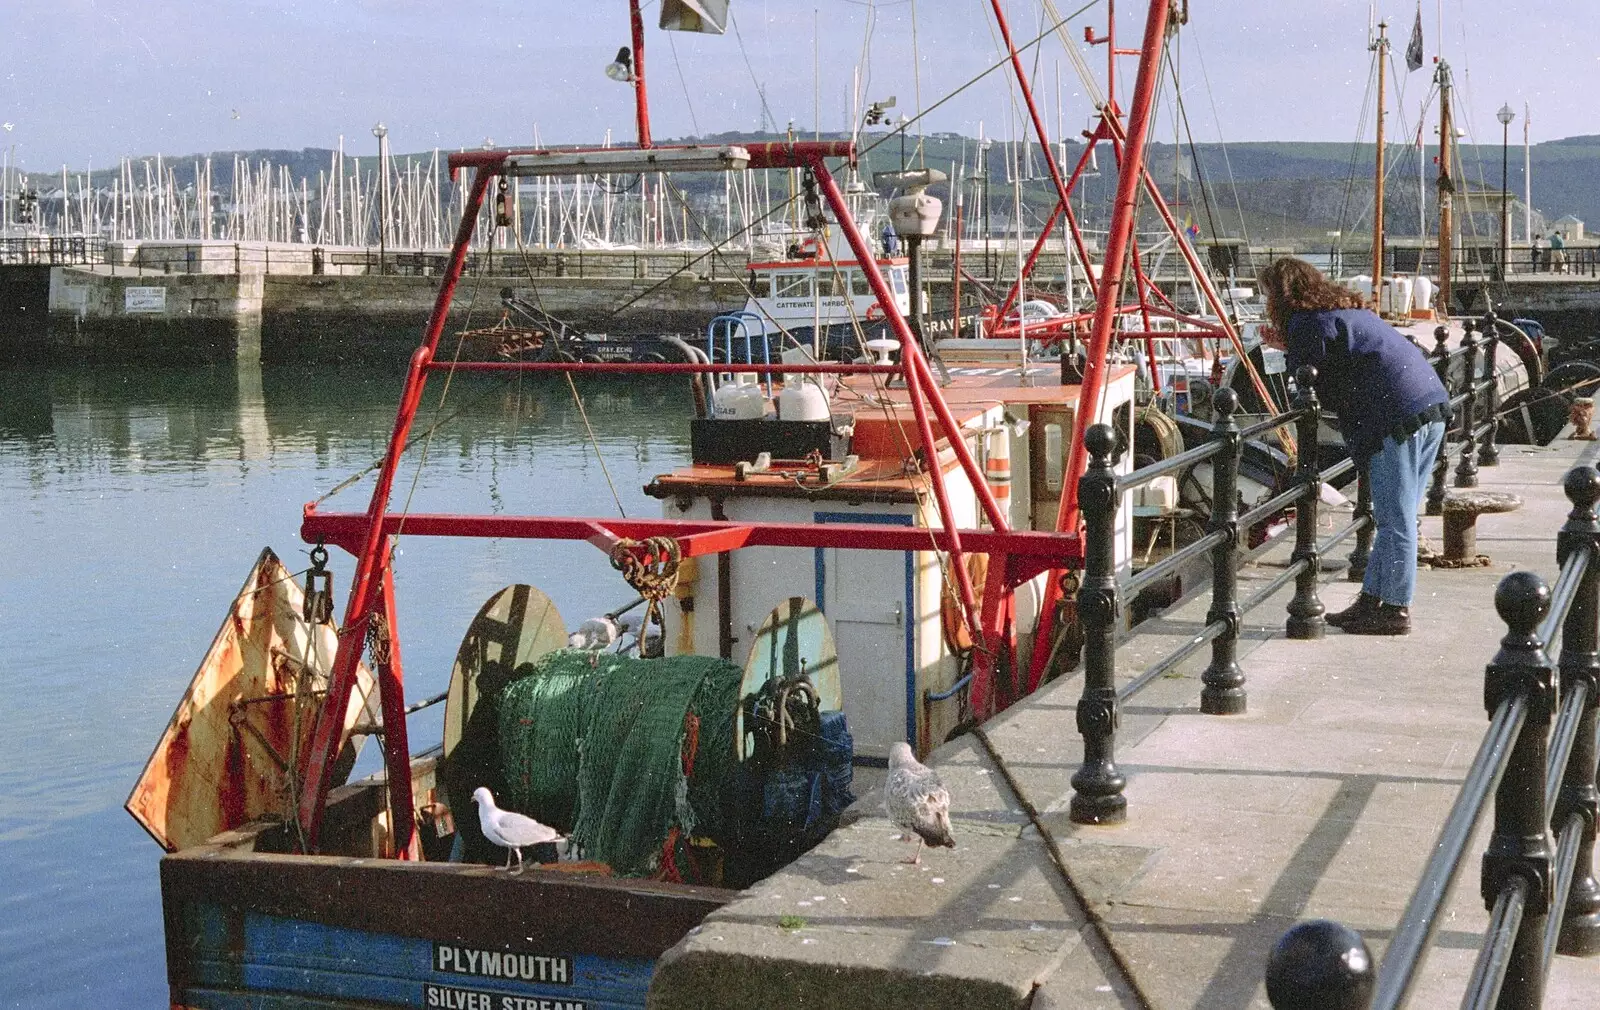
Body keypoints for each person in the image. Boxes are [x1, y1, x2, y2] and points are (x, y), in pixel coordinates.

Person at [1258, 257, 1449, 635]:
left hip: (1397, 416)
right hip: (1429, 403)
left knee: (1395, 518)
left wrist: (1287, 345)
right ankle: (1373, 599)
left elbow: (1310, 382)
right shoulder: (1338, 310)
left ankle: (1395, 609)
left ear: (1279, 296)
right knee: (1400, 514)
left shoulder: (1305, 322)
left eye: (1267, 293)